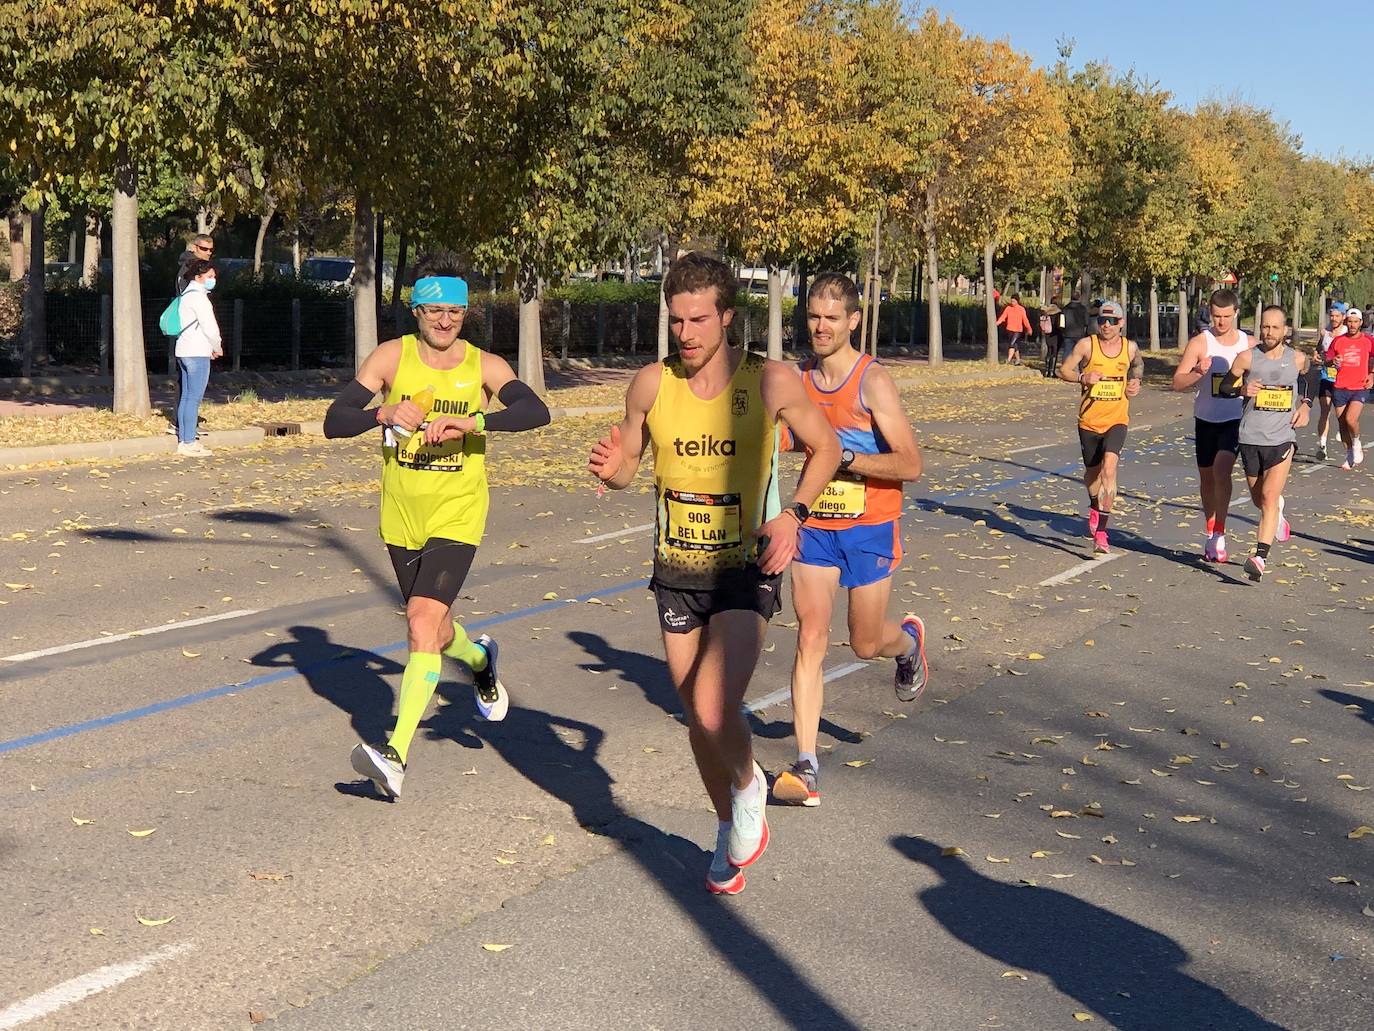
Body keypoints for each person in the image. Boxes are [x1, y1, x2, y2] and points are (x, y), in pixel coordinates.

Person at [587, 252, 840, 895]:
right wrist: (611, 466)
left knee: (711, 702)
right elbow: (626, 471)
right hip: (675, 569)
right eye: (676, 320)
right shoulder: (650, 384)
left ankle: (751, 787)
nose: (687, 333)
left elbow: (828, 448)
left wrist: (794, 516)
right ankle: (730, 827)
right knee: (699, 721)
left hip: (744, 567)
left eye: (700, 319)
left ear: (727, 316)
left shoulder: (772, 381)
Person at [322, 251, 551, 799]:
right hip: (402, 517)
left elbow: (535, 410)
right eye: (433, 311)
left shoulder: (484, 366)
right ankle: (480, 660)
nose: (445, 321)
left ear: (466, 312)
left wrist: (473, 421)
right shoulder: (390, 359)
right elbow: (334, 421)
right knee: (436, 630)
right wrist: (382, 413)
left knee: (421, 624)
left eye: (454, 311)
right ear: (416, 311)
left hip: (458, 513)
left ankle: (395, 755)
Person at [770, 273, 928, 810]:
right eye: (813, 316)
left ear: (853, 322)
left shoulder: (872, 381)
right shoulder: (798, 379)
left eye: (831, 318)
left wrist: (846, 457)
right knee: (810, 635)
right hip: (813, 523)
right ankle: (806, 765)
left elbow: (911, 463)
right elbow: (790, 438)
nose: (820, 327)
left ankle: (906, 644)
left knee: (864, 643)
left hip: (870, 525)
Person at [1222, 306, 1311, 580]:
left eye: (1274, 327)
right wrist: (1242, 390)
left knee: (1270, 497)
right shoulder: (1247, 357)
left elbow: (1309, 379)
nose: (1268, 332)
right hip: (1250, 437)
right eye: (1264, 327)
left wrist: (1305, 405)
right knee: (1259, 499)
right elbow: (1223, 387)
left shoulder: (1296, 359)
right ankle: (1278, 515)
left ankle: (1260, 557)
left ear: (1285, 330)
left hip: (1282, 438)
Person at [1171, 289, 1250, 563]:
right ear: (1210, 313)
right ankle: (1210, 531)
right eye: (1217, 316)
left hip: (1235, 420)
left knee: (1222, 470)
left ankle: (1220, 533)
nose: (1221, 322)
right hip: (1205, 420)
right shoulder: (1200, 343)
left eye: (1227, 316)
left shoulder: (1247, 343)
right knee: (1207, 479)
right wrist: (1197, 373)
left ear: (1236, 313)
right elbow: (1177, 382)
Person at [1058, 300, 1143, 556]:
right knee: (1092, 474)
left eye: (1113, 321)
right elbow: (1063, 370)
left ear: (1121, 323)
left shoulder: (1129, 348)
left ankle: (1103, 533)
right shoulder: (1087, 345)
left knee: (1109, 468)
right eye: (1102, 321)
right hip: (1089, 421)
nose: (1107, 325)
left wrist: (1135, 382)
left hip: (1117, 419)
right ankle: (1094, 504)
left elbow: (1138, 366)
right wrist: (1083, 377)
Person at [167, 234, 216, 436]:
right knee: (190, 391)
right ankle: (184, 428)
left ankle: (185, 425)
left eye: (211, 250)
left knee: (187, 388)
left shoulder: (193, 266)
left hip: (190, 340)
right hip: (193, 339)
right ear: (194, 247)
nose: (208, 253)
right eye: (204, 249)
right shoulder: (190, 269)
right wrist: (215, 343)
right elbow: (194, 306)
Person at [173, 258, 221, 458]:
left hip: (183, 350)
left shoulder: (186, 295)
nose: (213, 279)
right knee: (194, 399)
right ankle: (189, 442)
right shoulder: (201, 299)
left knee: (186, 397)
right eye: (210, 276)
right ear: (199, 277)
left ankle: (184, 439)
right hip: (198, 352)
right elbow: (209, 327)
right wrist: (217, 345)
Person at [1325, 305, 1374, 470]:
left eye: (1356, 322)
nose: (1352, 325)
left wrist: (1372, 374)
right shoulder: (1339, 341)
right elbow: (1328, 358)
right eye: (1350, 322)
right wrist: (1332, 361)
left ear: (1360, 323)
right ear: (1346, 322)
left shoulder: (1368, 340)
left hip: (1359, 386)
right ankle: (1349, 455)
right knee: (1342, 424)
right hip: (1340, 386)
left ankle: (1357, 442)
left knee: (1350, 419)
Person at [1315, 302, 1348, 461]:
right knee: (1324, 410)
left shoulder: (1348, 333)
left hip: (1344, 379)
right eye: (1332, 316)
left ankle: (1348, 442)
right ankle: (1322, 445)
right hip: (1326, 376)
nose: (1334, 319)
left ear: (1343, 317)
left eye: (1337, 316)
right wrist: (1316, 355)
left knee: (1344, 415)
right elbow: (1319, 349)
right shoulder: (1325, 333)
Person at [996, 294, 1032, 366]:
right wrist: (997, 323)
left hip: (1018, 330)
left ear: (1017, 301)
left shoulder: (1021, 309)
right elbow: (1003, 316)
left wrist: (1029, 329)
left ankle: (1008, 360)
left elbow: (1025, 320)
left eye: (1014, 301)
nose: (1012, 302)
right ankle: (1018, 360)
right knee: (1015, 345)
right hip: (1009, 329)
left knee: (1011, 344)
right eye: (1011, 301)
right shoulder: (1008, 308)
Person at [1039, 300, 1063, 378]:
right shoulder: (1059, 313)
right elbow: (1061, 325)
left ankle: (1046, 371)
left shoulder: (1046, 312)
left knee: (1049, 351)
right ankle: (1052, 371)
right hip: (1056, 334)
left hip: (1047, 334)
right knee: (1054, 352)